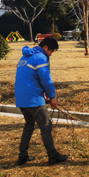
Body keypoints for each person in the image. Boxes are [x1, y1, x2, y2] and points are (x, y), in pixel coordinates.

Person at [15, 37, 67, 166]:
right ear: (45, 48)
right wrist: (52, 97)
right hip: (33, 100)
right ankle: (53, 156)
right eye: (51, 51)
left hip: (21, 99)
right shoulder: (40, 57)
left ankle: (22, 155)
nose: (50, 54)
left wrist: (44, 93)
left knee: (29, 125)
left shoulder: (25, 57)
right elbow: (46, 80)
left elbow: (30, 78)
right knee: (46, 126)